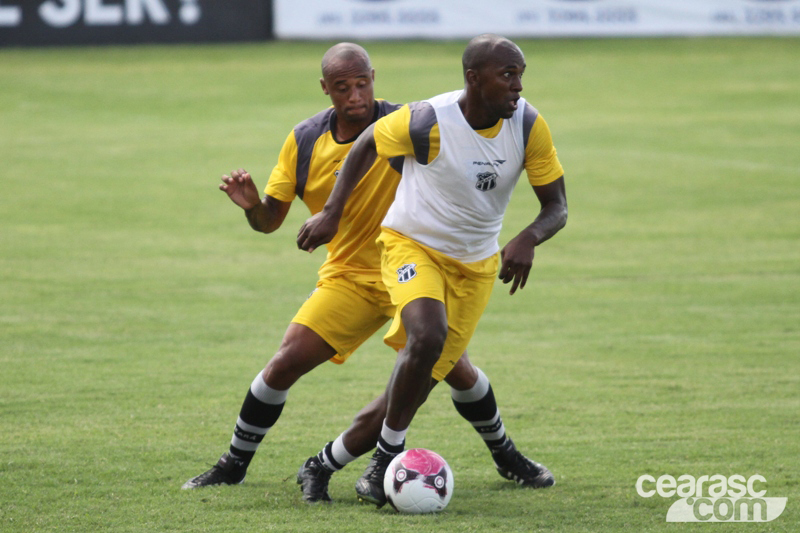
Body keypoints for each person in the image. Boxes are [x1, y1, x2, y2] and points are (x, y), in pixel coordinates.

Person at [182, 42, 555, 502]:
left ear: (374, 78)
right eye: (343, 88)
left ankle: (503, 454)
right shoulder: (303, 141)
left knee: (444, 367)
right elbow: (269, 222)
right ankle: (233, 464)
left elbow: (459, 157)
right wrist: (253, 207)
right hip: (352, 276)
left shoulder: (411, 123)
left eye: (363, 83)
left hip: (420, 267)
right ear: (326, 90)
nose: (355, 95)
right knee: (286, 361)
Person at [296, 34, 568, 507]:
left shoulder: (527, 125)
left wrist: (528, 237)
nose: (518, 86)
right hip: (411, 246)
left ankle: (321, 464)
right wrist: (333, 212)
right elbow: (365, 144)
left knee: (415, 386)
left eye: (520, 74)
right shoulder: (427, 120)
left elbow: (557, 206)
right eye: (507, 75)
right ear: (473, 79)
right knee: (427, 335)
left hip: (475, 266)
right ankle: (387, 460)